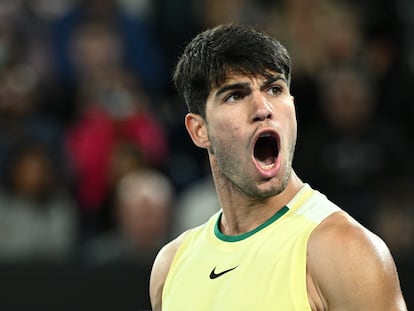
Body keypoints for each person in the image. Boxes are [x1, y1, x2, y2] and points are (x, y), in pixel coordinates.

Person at [149, 24, 407, 310]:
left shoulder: (345, 252)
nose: (263, 108)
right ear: (199, 130)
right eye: (235, 95)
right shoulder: (171, 265)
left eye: (274, 89)